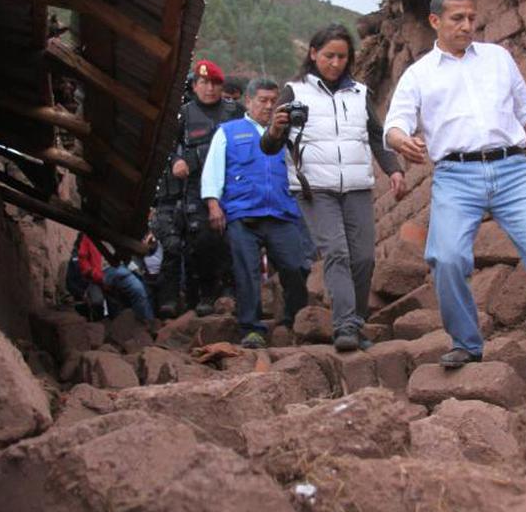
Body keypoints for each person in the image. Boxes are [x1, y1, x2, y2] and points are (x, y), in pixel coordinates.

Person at [383, 0, 526, 375]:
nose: (466, 26)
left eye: (471, 18)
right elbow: (395, 124)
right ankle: (466, 343)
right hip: (455, 176)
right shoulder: (418, 75)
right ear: (435, 21)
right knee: (446, 257)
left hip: (513, 170)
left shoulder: (498, 58)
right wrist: (401, 141)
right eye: (457, 19)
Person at [262, 24, 407, 352]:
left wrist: (394, 170)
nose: (335, 62)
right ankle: (344, 327)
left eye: (342, 56)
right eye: (329, 55)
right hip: (314, 189)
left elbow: (375, 134)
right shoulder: (293, 91)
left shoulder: (359, 93)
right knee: (337, 253)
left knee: (364, 258)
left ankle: (354, 322)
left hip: (356, 186)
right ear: (313, 54)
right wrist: (274, 130)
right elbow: (269, 148)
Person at [201, 78, 308, 348]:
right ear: (248, 102)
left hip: (282, 212)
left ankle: (293, 320)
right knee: (246, 271)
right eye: (262, 100)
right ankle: (252, 329)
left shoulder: (288, 133)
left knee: (296, 266)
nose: (268, 106)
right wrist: (213, 203)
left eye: (274, 101)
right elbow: (213, 170)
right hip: (242, 213)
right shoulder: (228, 131)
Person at [171, 59, 244, 314]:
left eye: (214, 83)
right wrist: (177, 159)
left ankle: (231, 289)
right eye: (204, 83)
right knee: (201, 240)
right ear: (194, 85)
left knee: (233, 238)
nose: (209, 88)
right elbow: (169, 145)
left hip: (231, 185)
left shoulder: (234, 111)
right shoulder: (184, 113)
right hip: (196, 185)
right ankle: (206, 292)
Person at [71, 233, 154, 322]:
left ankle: (147, 322)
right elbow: (83, 260)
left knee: (139, 290)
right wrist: (97, 276)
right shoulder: (88, 236)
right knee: (101, 301)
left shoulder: (116, 231)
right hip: (102, 272)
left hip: (119, 269)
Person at [151, 158, 186, 318]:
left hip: (189, 197)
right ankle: (169, 300)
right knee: (172, 247)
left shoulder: (187, 141)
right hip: (164, 205)